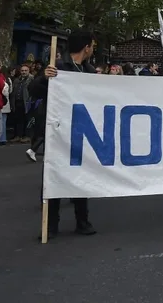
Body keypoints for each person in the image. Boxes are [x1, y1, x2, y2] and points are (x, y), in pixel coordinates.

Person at [29, 33, 97, 236]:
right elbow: (34, 91)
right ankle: (50, 225)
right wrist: (44, 78)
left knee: (80, 175)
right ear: (86, 47)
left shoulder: (88, 70)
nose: (93, 49)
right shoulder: (58, 67)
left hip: (80, 129)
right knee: (55, 176)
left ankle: (82, 221)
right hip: (58, 130)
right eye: (92, 45)